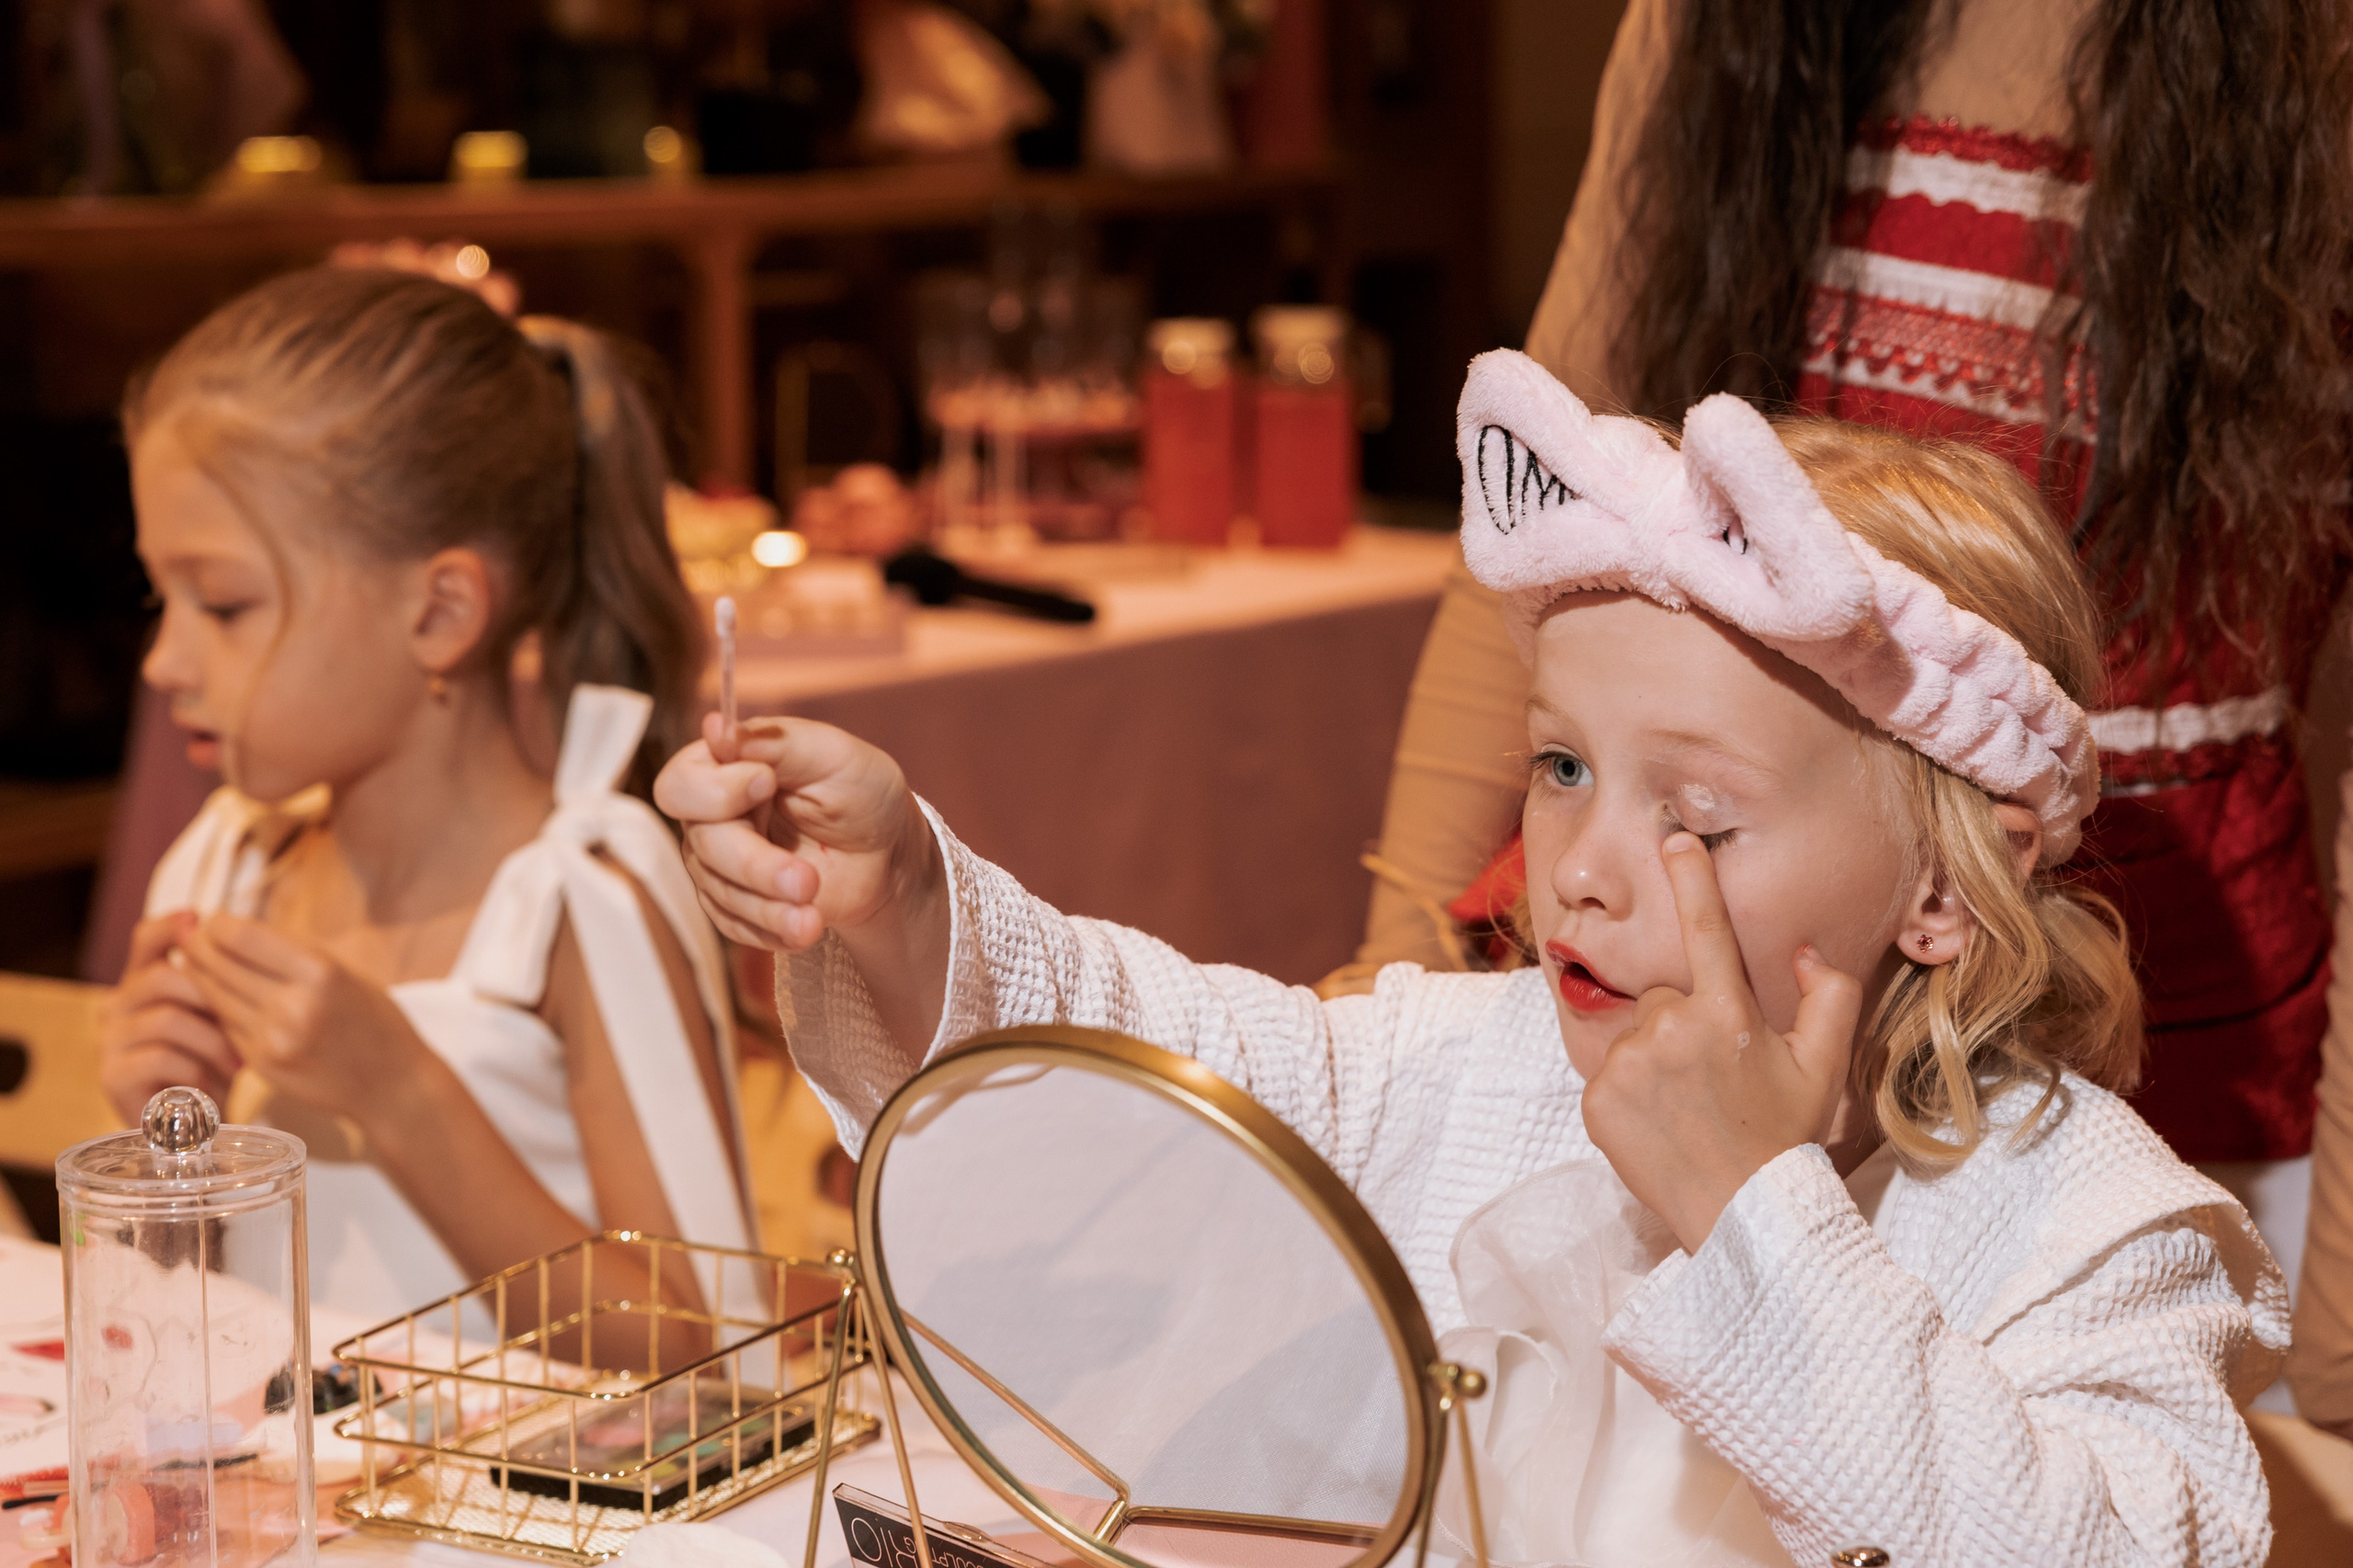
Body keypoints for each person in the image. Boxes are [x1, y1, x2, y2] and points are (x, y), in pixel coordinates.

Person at [658, 352, 2287, 1565]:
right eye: (1565, 765)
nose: (1577, 864)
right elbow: (1163, 1068)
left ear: (1946, 882)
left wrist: (1753, 1218)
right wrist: (902, 908)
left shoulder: (2094, 1234)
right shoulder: (1474, 1062)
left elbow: (2107, 1542)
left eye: (1696, 812)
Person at [1352, 0, 2353, 1431]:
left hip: (2181, 1072)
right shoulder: (1712, 30)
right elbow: (1544, 527)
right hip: (1747, 1021)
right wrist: (1405, 957)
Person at [97, 266, 755, 1321]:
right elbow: (202, 1316)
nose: (163, 659)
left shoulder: (580, 900)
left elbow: (709, 1351)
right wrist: (165, 1132)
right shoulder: (221, 870)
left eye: (222, 603)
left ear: (442, 611)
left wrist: (403, 1094)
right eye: (157, 593)